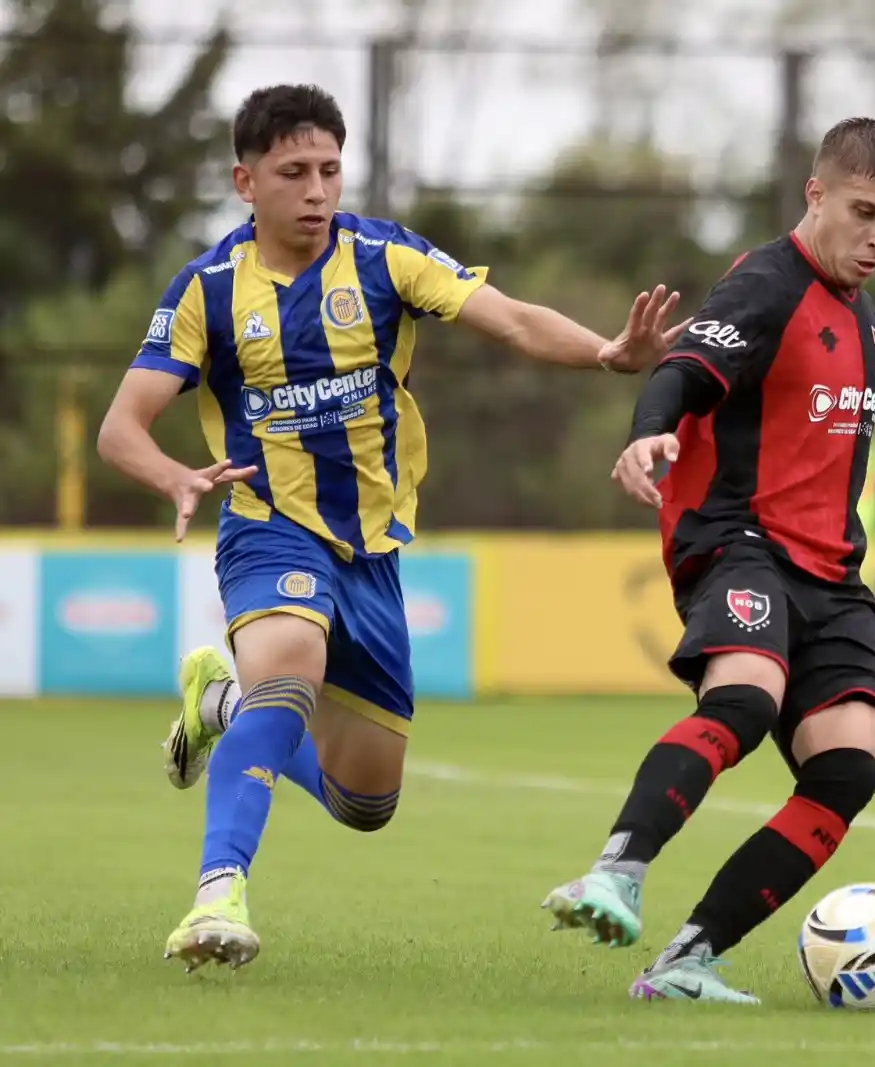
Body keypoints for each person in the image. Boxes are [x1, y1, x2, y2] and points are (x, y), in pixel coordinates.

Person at [96, 83, 687, 973]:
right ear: (244, 181)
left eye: (330, 169)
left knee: (366, 803)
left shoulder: (382, 257)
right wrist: (175, 474)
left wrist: (607, 352)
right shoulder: (208, 291)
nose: (317, 189)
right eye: (293, 171)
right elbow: (119, 428)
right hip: (269, 527)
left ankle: (218, 700)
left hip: (372, 552)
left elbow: (515, 320)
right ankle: (218, 893)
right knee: (290, 672)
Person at [541, 117, 875, 1003]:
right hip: (740, 543)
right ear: (815, 194)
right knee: (746, 697)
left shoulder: (866, 325)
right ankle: (614, 873)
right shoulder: (765, 283)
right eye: (864, 212)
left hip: (830, 574)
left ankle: (686, 960)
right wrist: (648, 439)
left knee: (849, 764)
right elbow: (677, 373)